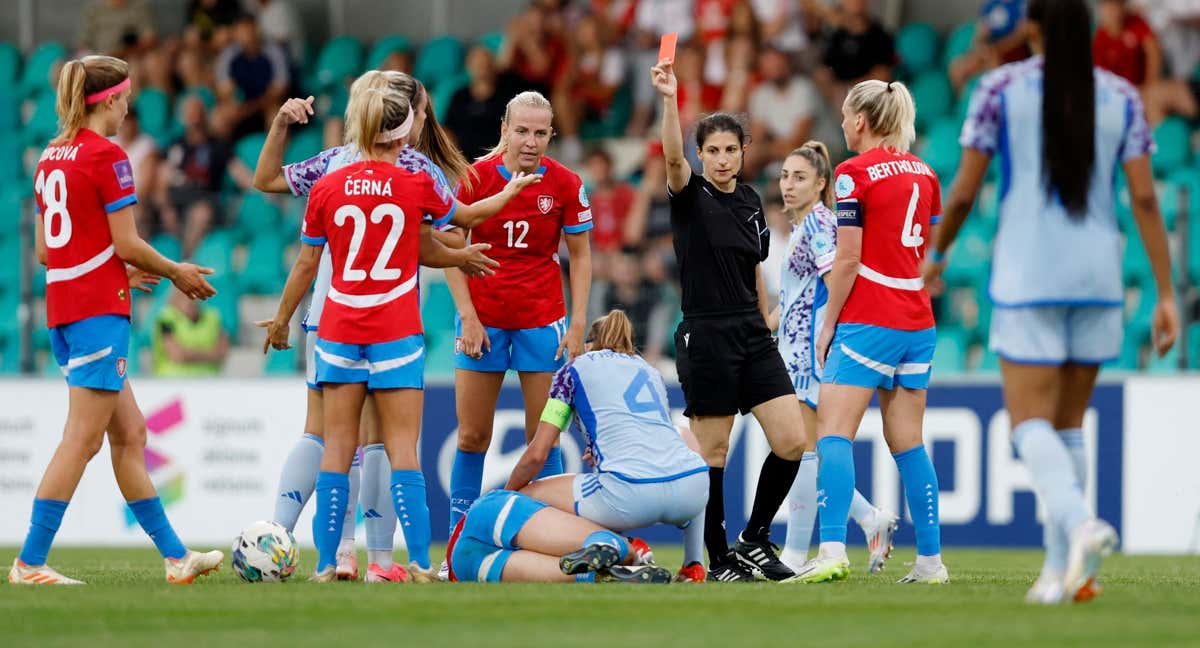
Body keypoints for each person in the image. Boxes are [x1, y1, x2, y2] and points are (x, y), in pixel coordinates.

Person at [925, 0, 1178, 604]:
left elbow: (962, 191)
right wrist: (1165, 292)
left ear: (1030, 25)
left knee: (1029, 425)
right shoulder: (1121, 96)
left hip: (1027, 274)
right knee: (1067, 426)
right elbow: (1144, 201)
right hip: (1099, 278)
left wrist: (936, 252)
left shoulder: (999, 89)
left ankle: (1080, 524)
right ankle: (1063, 574)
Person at [261, 84, 536, 583]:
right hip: (394, 326)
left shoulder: (328, 181)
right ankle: (416, 563)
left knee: (337, 447)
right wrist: (509, 192)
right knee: (401, 450)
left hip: (338, 324)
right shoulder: (414, 181)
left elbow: (305, 264)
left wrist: (282, 320)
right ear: (406, 128)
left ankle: (328, 562)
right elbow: (465, 219)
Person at [11, 55, 222, 586]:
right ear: (109, 100)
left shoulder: (50, 157)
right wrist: (175, 270)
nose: (130, 105)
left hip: (66, 306)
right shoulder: (108, 155)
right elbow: (125, 239)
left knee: (130, 433)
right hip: (97, 312)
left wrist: (118, 267)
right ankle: (29, 562)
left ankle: (176, 558)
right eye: (126, 96)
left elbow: (45, 250)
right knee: (82, 439)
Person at [650, 60, 806, 582]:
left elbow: (754, 264)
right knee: (713, 453)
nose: (721, 158)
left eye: (730, 149)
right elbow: (672, 155)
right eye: (711, 150)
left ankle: (754, 539)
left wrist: (763, 320)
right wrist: (670, 99)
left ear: (743, 153)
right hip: (706, 332)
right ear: (700, 155)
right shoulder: (689, 194)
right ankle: (716, 559)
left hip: (751, 333)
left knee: (791, 439)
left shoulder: (750, 199)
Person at [789, 78, 947, 586]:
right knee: (909, 444)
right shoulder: (926, 173)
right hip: (917, 320)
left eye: (843, 116)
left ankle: (832, 549)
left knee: (833, 433)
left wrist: (829, 320)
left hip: (869, 317)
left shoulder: (853, 175)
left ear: (860, 120)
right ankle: (930, 563)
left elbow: (850, 257)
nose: (840, 123)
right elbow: (929, 252)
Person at [444, 91, 593, 567]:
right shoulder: (474, 178)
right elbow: (449, 245)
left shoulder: (566, 184)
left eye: (541, 133)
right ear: (505, 129)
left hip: (540, 320)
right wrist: (467, 314)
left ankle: (549, 539)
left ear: (552, 135)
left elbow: (583, 255)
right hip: (482, 322)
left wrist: (577, 324)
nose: (530, 142)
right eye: (522, 130)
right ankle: (457, 545)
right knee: (471, 436)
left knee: (542, 437)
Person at [766, 142, 898, 574]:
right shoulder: (805, 225)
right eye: (785, 176)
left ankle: (795, 553)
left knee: (803, 450)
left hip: (810, 355)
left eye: (799, 177)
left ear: (822, 184)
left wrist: (825, 333)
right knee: (814, 451)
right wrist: (771, 321)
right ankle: (869, 518)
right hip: (797, 348)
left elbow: (836, 278)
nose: (788, 185)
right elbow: (800, 293)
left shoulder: (820, 223)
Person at [502, 310, 710, 582]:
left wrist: (509, 495)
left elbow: (538, 452)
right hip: (692, 492)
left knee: (531, 498)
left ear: (589, 344)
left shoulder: (573, 369)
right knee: (685, 445)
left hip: (630, 494)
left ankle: (626, 547)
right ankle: (693, 564)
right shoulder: (650, 371)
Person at [447, 489, 671, 583]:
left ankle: (608, 574)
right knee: (614, 545)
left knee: (573, 570)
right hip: (491, 513)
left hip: (464, 563)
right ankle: (615, 550)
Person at [151, 287, 229, 376]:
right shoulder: (166, 318)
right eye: (184, 296)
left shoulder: (213, 317)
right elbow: (177, 355)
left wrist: (189, 354)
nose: (189, 301)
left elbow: (221, 353)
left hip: (208, 381)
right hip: (172, 382)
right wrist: (208, 354)